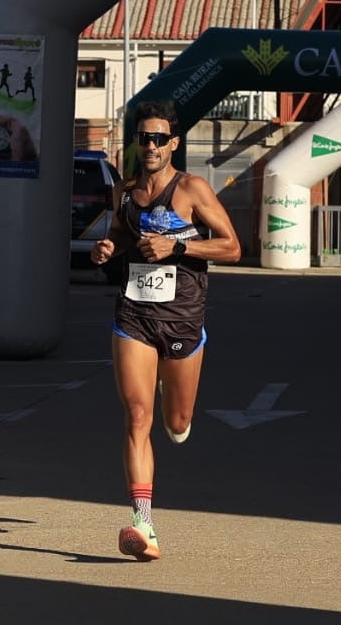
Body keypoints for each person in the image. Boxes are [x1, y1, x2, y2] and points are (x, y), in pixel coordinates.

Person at [90, 101, 240, 562]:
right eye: (143, 137)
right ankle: (143, 523)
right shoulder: (124, 191)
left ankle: (177, 404)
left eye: (159, 138)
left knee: (175, 424)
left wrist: (178, 244)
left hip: (182, 318)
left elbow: (233, 247)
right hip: (133, 314)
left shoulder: (192, 189)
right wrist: (107, 248)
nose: (150, 146)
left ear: (173, 143)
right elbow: (118, 233)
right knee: (137, 415)